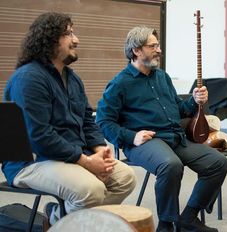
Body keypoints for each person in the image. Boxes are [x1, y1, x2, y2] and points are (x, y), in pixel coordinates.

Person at [1, 12, 136, 226]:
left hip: (70, 155)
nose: (76, 39)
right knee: (91, 190)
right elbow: (39, 136)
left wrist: (101, 150)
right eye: (68, 34)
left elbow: (87, 120)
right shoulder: (28, 79)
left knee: (124, 178)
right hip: (31, 161)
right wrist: (86, 162)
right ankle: (73, 224)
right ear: (49, 40)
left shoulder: (72, 78)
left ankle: (58, 220)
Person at [96, 26, 227, 232]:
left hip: (174, 138)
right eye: (153, 46)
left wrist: (195, 101)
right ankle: (166, 225)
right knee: (171, 165)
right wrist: (132, 136)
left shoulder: (162, 77)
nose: (159, 50)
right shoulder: (120, 83)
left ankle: (188, 218)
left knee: (217, 162)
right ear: (136, 51)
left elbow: (180, 110)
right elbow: (104, 122)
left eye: (158, 45)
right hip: (145, 142)